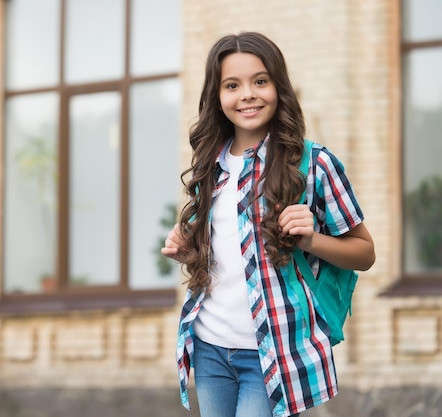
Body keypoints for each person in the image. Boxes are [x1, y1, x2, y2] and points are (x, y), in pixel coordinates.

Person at [161, 32, 375, 417]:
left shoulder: (314, 164)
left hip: (271, 352)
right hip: (209, 349)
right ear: (217, 96)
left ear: (279, 86)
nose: (248, 94)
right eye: (232, 85)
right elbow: (228, 252)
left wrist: (311, 240)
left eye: (260, 81)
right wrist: (188, 245)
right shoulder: (212, 168)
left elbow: (365, 254)